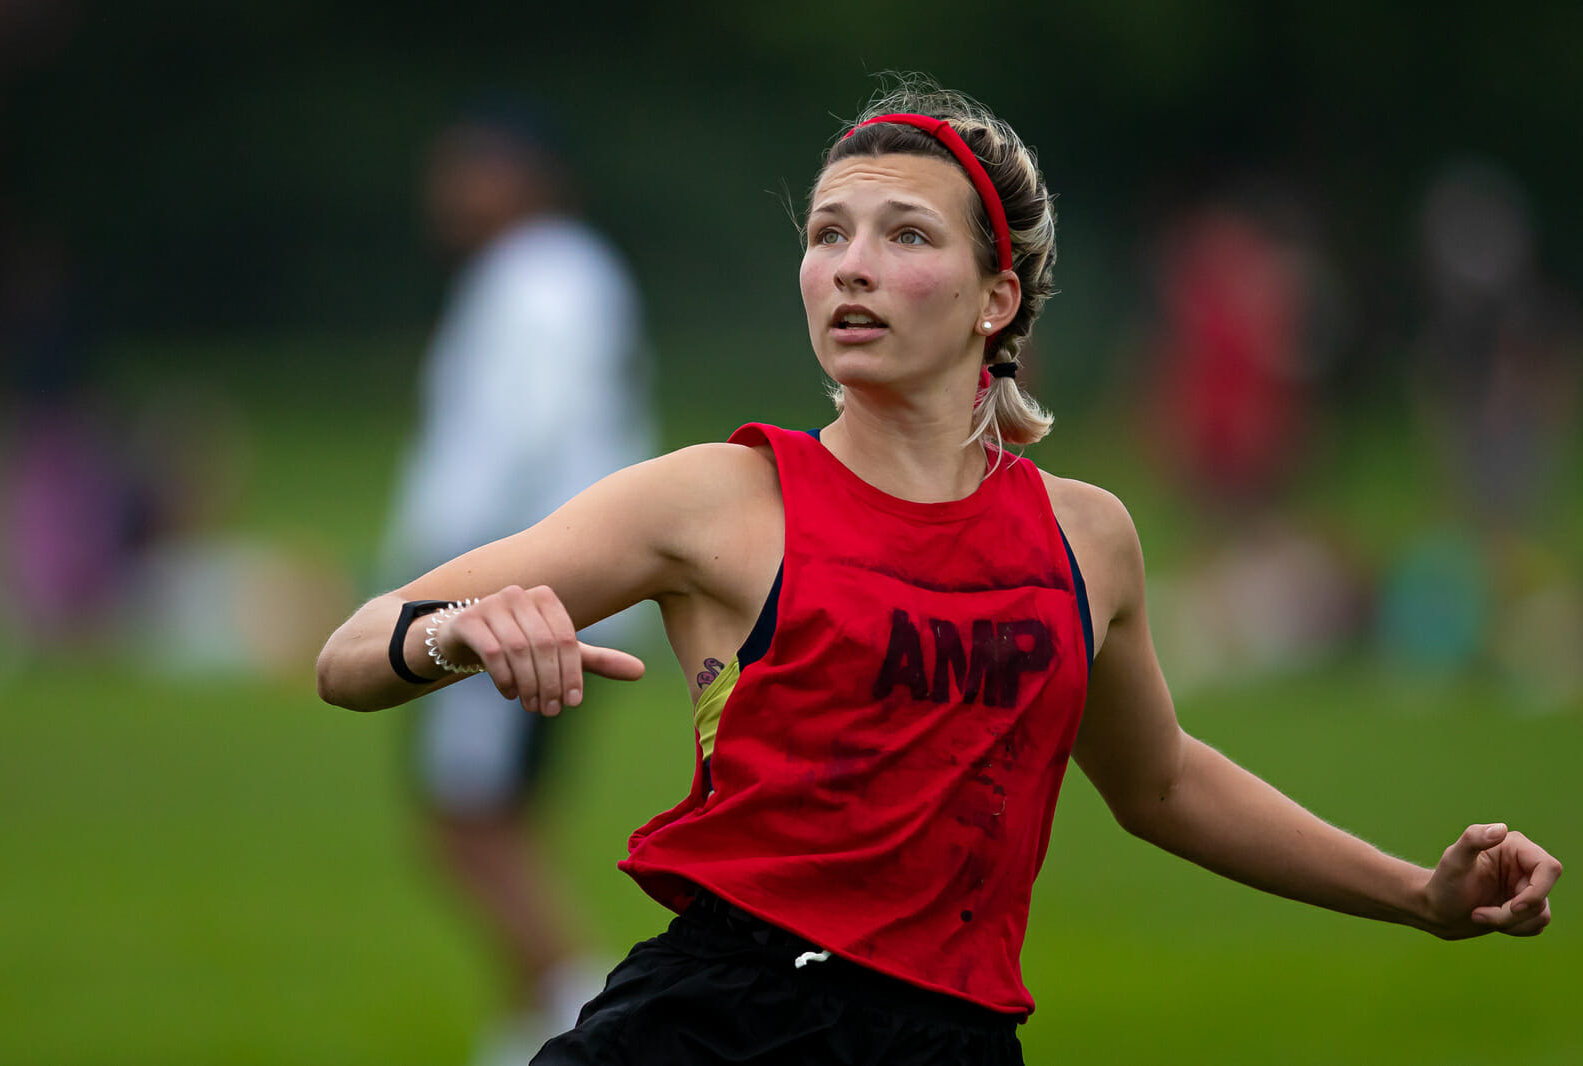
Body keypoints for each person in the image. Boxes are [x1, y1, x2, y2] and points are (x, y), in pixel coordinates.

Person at [319, 78, 1561, 1066]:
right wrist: (454, 636)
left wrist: (1419, 895)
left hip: (954, 1041)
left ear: (993, 296)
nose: (849, 264)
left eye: (903, 234)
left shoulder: (1086, 538)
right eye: (826, 233)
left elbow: (1163, 782)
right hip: (714, 1021)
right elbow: (353, 649)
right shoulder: (719, 498)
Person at [375, 100, 653, 1063]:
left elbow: (520, 440)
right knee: (498, 819)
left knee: (468, 824)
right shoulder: (552, 274)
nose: (450, 190)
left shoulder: (541, 280)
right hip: (537, 586)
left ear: (531, 177)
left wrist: (445, 582)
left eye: (474, 168)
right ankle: (527, 1030)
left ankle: (592, 1029)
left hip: (508, 596)